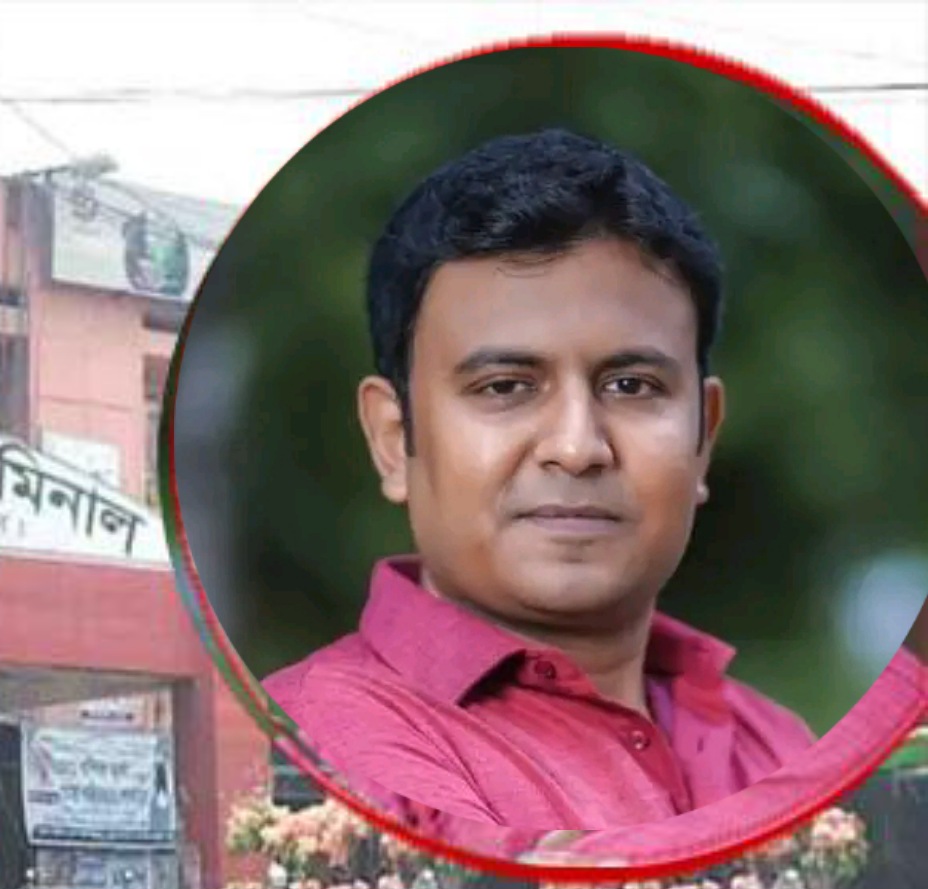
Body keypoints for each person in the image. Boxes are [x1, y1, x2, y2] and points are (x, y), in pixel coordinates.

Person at [261, 128, 925, 848]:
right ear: (394, 440)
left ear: (703, 437)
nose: (577, 448)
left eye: (631, 386)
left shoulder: (770, 739)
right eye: (506, 386)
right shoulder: (313, 744)